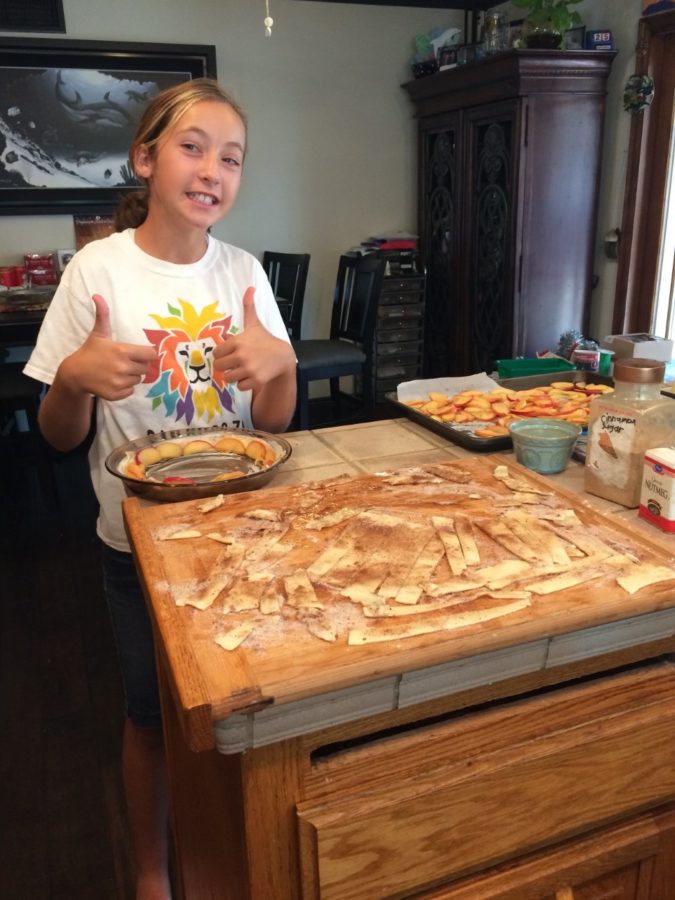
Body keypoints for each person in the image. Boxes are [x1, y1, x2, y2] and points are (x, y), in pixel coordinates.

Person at [24, 78, 297, 900]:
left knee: (243, 708)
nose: (212, 167)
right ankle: (151, 871)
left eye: (231, 156)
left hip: (237, 535)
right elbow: (56, 434)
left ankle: (241, 849)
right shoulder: (95, 273)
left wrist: (278, 365)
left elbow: (274, 425)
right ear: (144, 158)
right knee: (150, 715)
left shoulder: (242, 271)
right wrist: (72, 379)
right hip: (136, 542)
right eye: (191, 146)